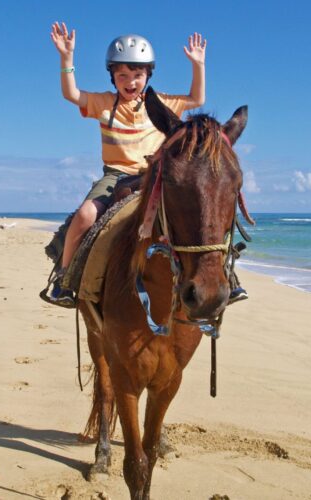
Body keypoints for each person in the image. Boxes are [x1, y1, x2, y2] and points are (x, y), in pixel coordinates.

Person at [46, 23, 247, 307]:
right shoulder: (103, 103)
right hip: (115, 177)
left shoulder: (161, 103)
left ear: (147, 75)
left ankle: (229, 278)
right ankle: (66, 279)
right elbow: (72, 94)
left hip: (153, 177)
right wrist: (66, 59)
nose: (130, 81)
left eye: (137, 75)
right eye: (122, 75)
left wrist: (198, 65)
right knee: (85, 216)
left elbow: (197, 99)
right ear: (113, 77)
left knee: (201, 213)